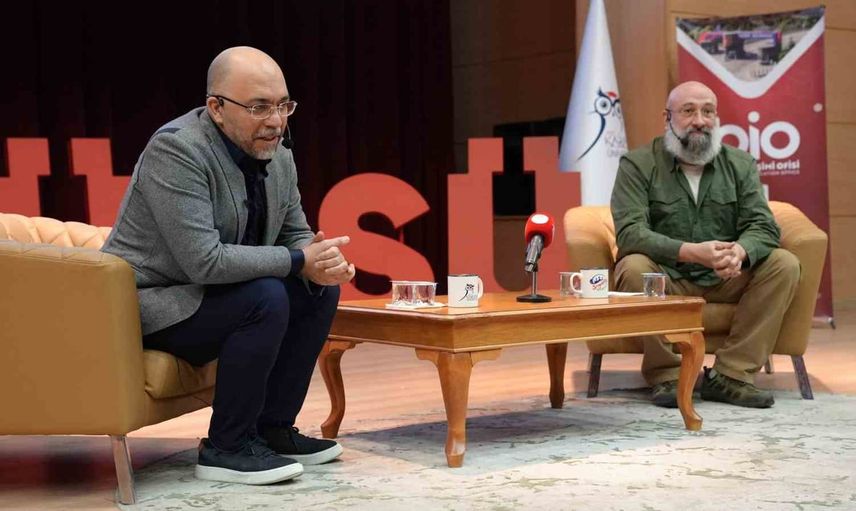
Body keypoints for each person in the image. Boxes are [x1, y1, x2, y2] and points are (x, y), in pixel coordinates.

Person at [102, 46, 356, 484]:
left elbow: (294, 232)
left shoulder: (277, 152)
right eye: (259, 107)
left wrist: (322, 263)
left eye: (283, 105)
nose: (275, 121)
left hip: (212, 296)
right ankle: (226, 447)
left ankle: (272, 429)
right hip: (150, 305)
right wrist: (299, 260)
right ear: (216, 108)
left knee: (316, 291)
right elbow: (204, 261)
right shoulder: (177, 150)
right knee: (266, 294)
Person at [610, 81, 800, 409]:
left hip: (727, 277)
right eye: (688, 111)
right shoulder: (638, 164)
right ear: (667, 118)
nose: (699, 120)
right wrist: (691, 252)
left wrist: (739, 252)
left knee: (785, 264)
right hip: (669, 277)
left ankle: (731, 375)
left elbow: (764, 225)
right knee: (634, 267)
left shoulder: (740, 163)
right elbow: (630, 233)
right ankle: (668, 375)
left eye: (708, 111)